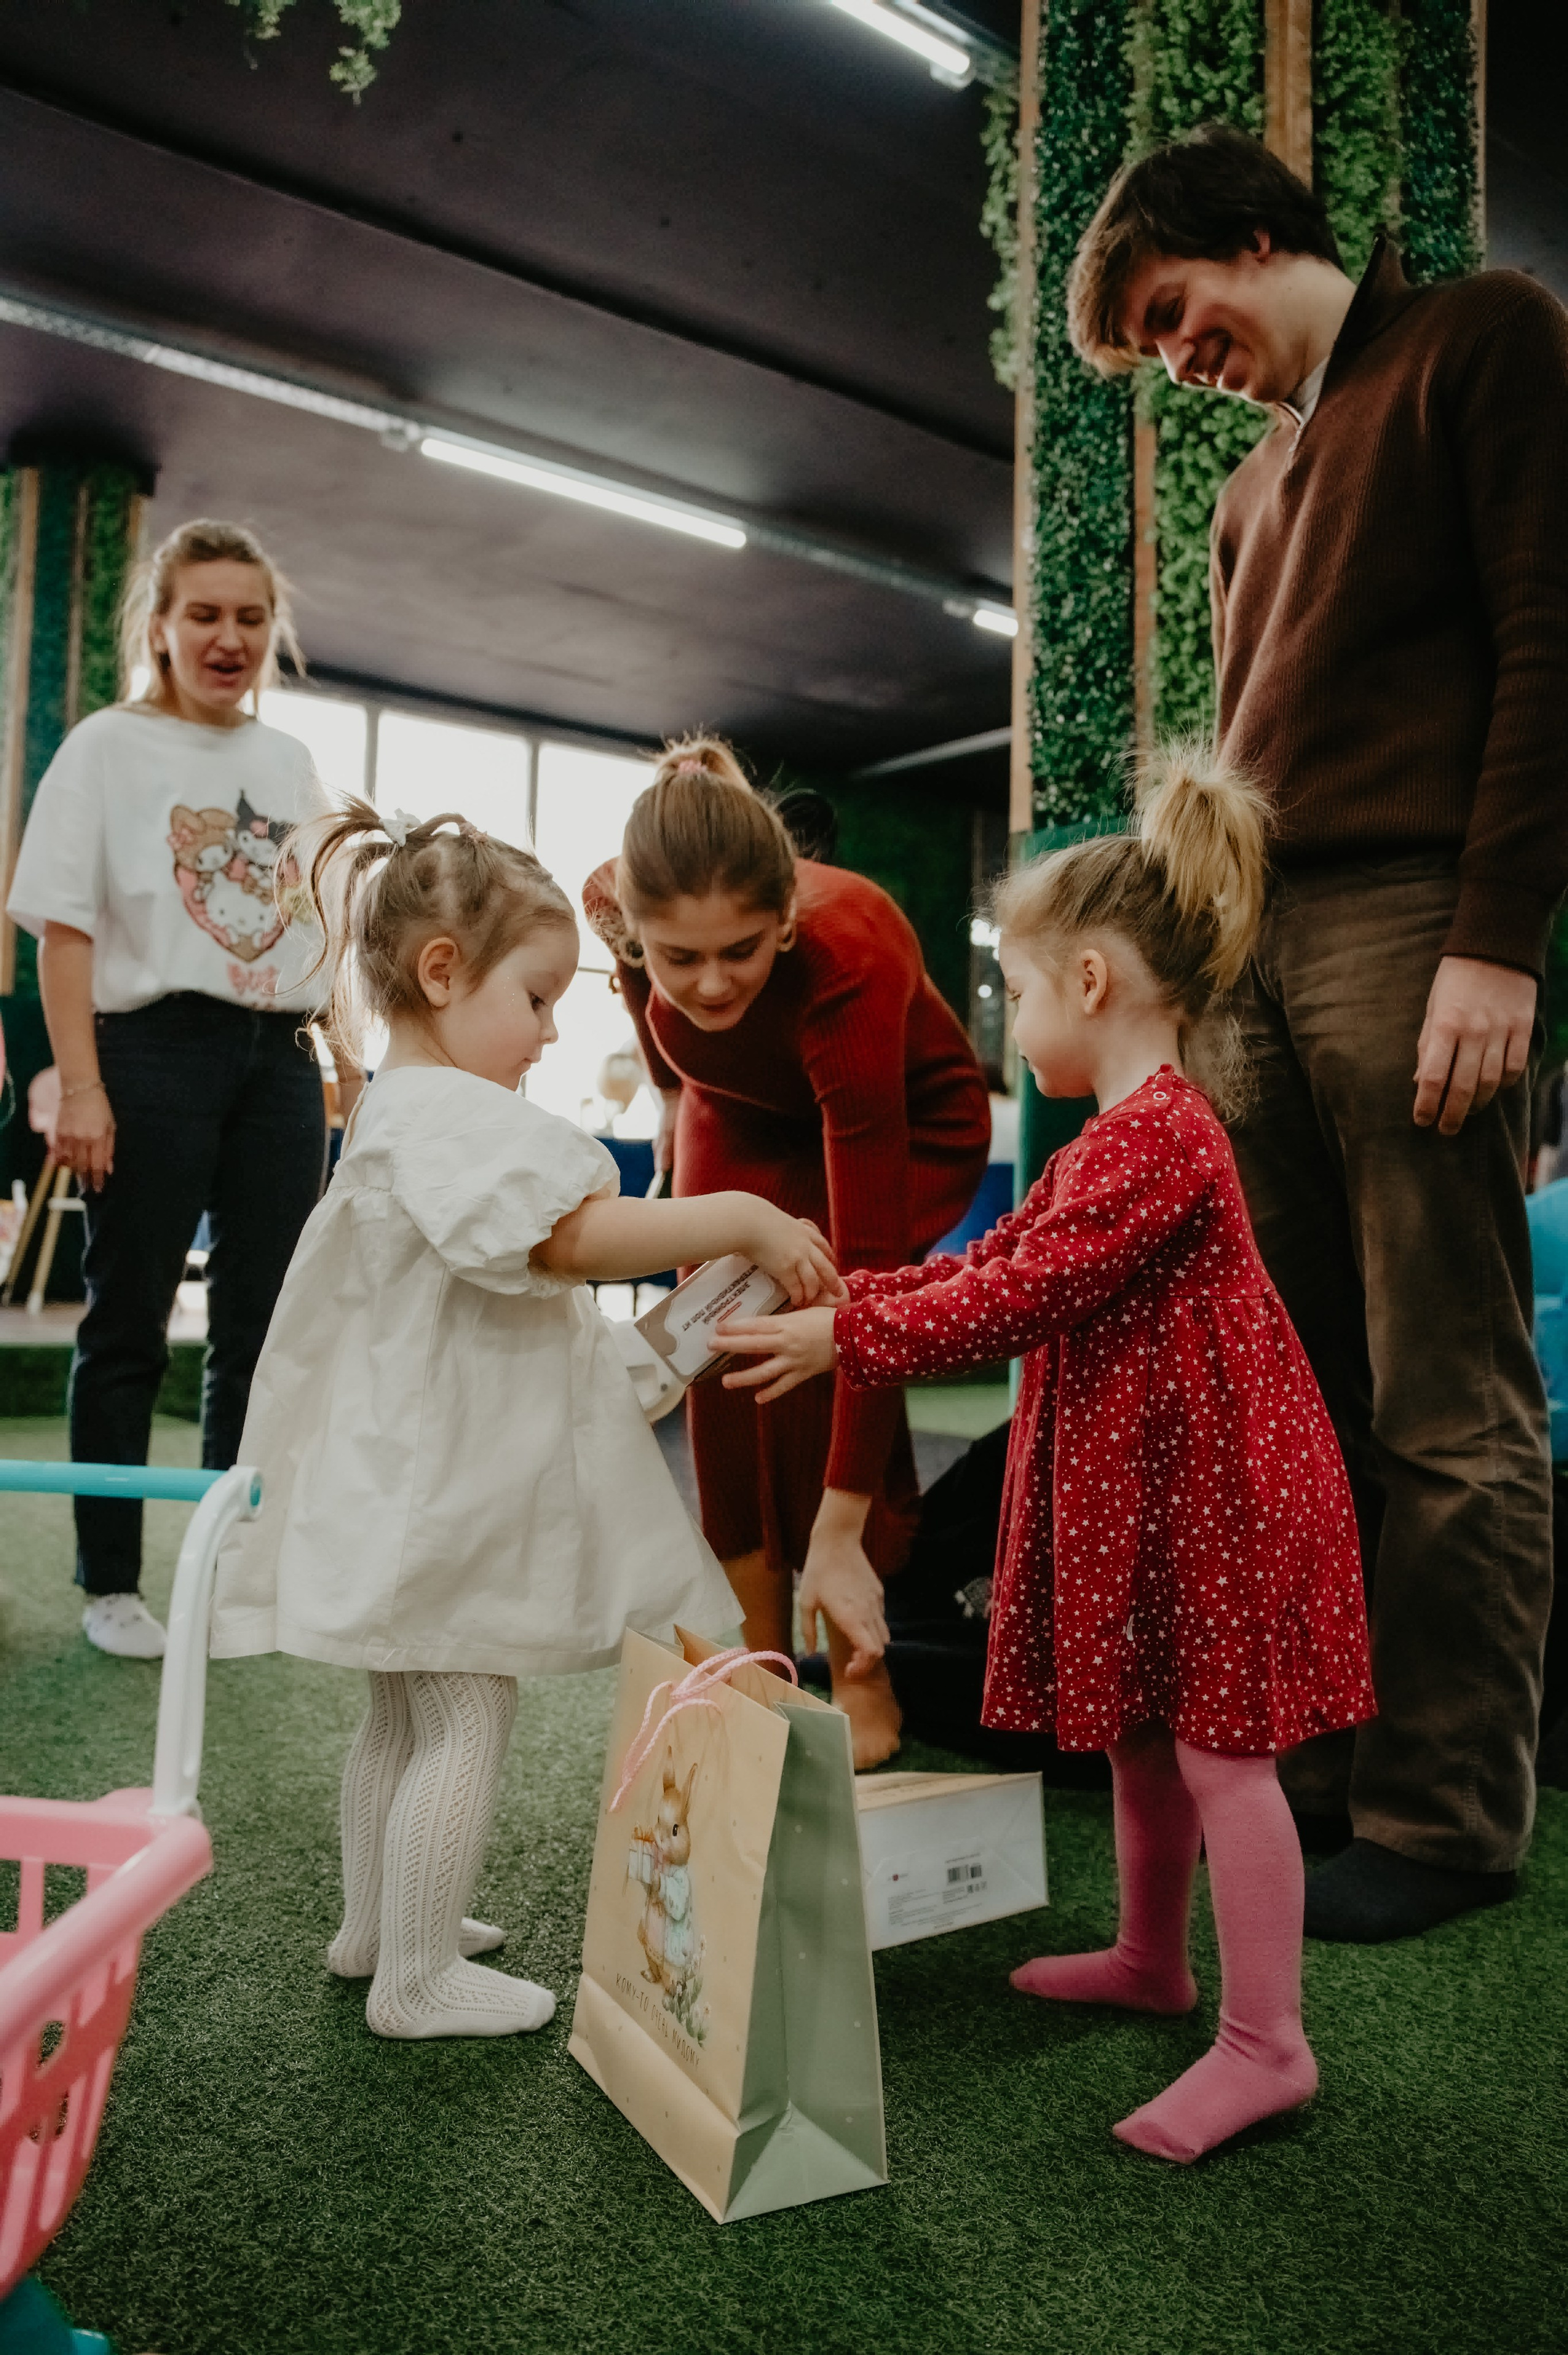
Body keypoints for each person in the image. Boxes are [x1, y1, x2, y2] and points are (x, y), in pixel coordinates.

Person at [719, 751, 1375, 2163]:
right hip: (1153, 1483)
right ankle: (1154, 1954)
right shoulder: (1102, 1145)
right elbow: (1000, 1256)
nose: (1006, 1017)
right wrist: (851, 1305)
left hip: (1215, 1491)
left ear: (1088, 981)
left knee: (1220, 1754)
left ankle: (1269, 2041)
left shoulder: (1160, 1141)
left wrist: (850, 1335)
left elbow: (1014, 1295)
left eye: (1015, 987)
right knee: (1146, 1727)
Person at [1063, 123, 1568, 1941]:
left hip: (1417, 921)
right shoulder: (1248, 493)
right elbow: (1222, 772)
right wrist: (1190, 992)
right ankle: (1333, 1777)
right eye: (1153, 343)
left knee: (1448, 1391)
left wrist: (1498, 941)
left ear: (1259, 235)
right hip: (1252, 958)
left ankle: (1446, 1813)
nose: (1182, 358)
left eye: (1177, 313)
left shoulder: (1485, 337)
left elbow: (1550, 638)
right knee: (1290, 1406)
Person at [211, 801, 839, 2039]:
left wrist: (676, 1339)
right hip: (433, 1493)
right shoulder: (454, 1116)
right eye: (538, 998)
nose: (552, 1033)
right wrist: (739, 1217)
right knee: (463, 1709)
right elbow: (569, 1240)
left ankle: (378, 1926)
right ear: (443, 973)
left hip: (410, 1477)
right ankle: (415, 1974)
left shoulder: (407, 1113)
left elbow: (522, 1320)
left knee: (398, 1711)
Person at [583, 739, 990, 1768]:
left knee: (806, 1339)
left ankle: (860, 1666)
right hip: (739, 1109)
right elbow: (666, 1027)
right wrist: (674, 1101)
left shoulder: (845, 958)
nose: (712, 983)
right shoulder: (616, 909)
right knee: (717, 1354)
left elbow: (864, 1295)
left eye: (743, 951)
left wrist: (844, 1528)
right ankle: (765, 1662)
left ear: (787, 923)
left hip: (895, 1121)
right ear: (635, 932)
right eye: (680, 958)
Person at [6, 518, 342, 1660]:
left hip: (279, 1057)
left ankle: (226, 1579)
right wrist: (81, 1086)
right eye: (205, 614)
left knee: (260, 1332)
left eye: (251, 618)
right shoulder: (106, 746)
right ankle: (112, 1584)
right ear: (159, 626)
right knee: (130, 1320)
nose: (229, 637)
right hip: (152, 1050)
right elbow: (62, 937)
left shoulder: (288, 763)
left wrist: (333, 1051)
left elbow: (312, 915)